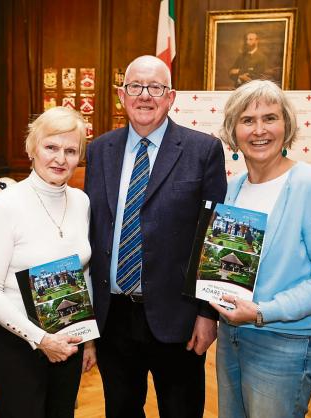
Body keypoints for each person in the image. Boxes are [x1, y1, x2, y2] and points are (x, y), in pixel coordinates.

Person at [84, 55, 227, 418]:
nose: (144, 95)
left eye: (156, 87)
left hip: (177, 317)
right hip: (113, 316)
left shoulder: (202, 150)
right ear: (121, 94)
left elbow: (213, 240)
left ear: (171, 96)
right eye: (135, 86)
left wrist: (208, 313)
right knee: (121, 410)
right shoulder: (100, 150)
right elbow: (93, 230)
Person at [212, 79, 311, 418]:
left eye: (270, 118)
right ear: (233, 131)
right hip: (231, 338)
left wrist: (263, 310)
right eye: (247, 120)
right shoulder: (231, 189)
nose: (260, 130)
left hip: (285, 345)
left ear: (286, 126)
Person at [0, 106, 95, 418]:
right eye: (51, 147)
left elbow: (82, 274)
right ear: (31, 148)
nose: (60, 159)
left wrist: (89, 340)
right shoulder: (6, 205)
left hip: (68, 341)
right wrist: (41, 339)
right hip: (18, 345)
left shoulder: (81, 202)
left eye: (71, 150)